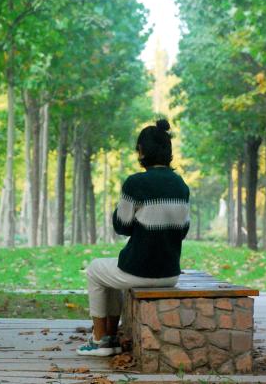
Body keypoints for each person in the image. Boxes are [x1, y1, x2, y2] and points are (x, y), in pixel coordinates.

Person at [77, 119, 190, 356]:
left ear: (141, 151)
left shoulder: (136, 183)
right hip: (170, 274)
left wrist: (119, 210)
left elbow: (122, 226)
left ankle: (99, 340)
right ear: (168, 151)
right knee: (109, 273)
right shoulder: (181, 186)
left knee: (94, 270)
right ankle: (111, 339)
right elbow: (183, 230)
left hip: (139, 270)